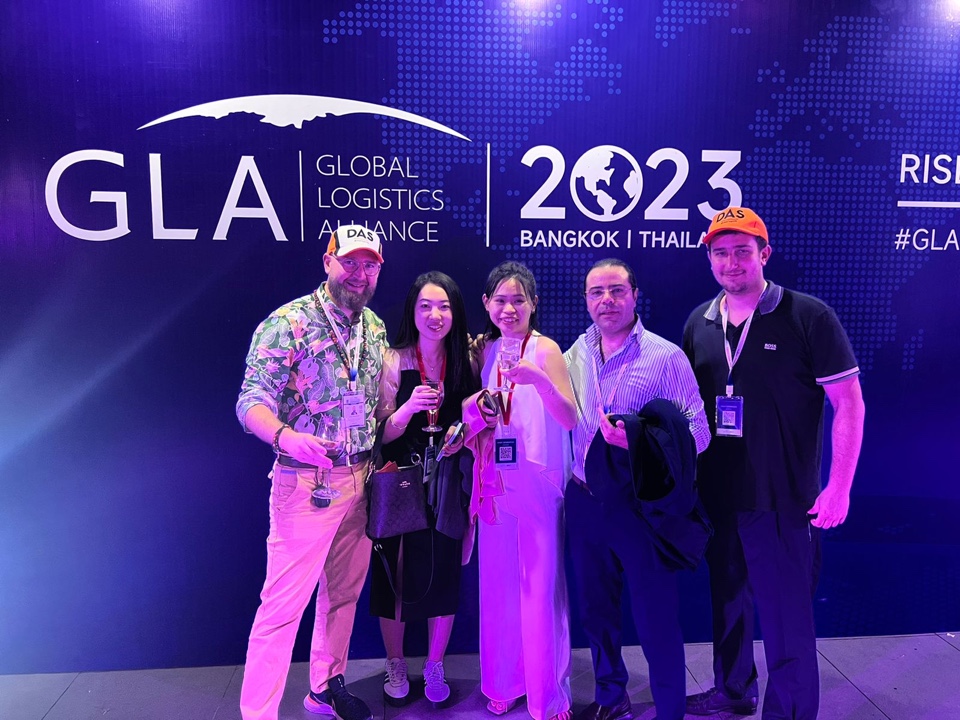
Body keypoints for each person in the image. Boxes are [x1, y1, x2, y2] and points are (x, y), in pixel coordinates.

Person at [682, 207, 865, 719]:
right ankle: (733, 690)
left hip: (783, 499)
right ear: (709, 259)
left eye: (742, 251)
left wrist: (839, 487)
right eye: (721, 253)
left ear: (765, 254)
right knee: (728, 602)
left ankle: (789, 712)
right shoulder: (700, 322)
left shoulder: (808, 316)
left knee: (787, 618)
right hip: (719, 497)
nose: (731, 262)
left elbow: (849, 403)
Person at [235, 225, 388, 720]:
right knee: (282, 609)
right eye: (350, 262)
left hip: (360, 478)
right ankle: (258, 714)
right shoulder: (288, 323)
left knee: (343, 595)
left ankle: (324, 688)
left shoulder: (375, 328)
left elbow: (373, 404)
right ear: (328, 262)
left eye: (370, 265)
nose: (359, 274)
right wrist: (285, 437)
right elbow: (250, 402)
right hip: (306, 483)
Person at [564, 258, 711, 720]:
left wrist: (642, 444)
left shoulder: (665, 357)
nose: (606, 301)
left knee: (655, 617)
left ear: (634, 295)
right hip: (584, 501)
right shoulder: (575, 353)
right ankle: (611, 698)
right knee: (596, 612)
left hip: (639, 507)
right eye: (596, 292)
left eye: (616, 290)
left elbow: (700, 432)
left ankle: (670, 710)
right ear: (586, 300)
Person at [467, 261, 578, 720]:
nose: (509, 308)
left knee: (540, 587)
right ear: (486, 304)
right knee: (498, 587)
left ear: (534, 303)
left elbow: (569, 417)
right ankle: (502, 681)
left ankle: (546, 692)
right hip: (496, 481)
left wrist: (540, 381)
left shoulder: (546, 349)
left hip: (538, 482)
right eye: (500, 300)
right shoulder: (487, 350)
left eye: (518, 300)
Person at [371, 271, 479, 707]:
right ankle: (395, 662)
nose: (435, 315)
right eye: (425, 306)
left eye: (444, 306)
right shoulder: (393, 359)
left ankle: (435, 663)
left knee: (444, 574)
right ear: (412, 311)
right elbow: (380, 433)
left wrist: (466, 432)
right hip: (401, 480)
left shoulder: (466, 361)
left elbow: (477, 422)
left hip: (449, 482)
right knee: (393, 578)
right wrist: (408, 409)